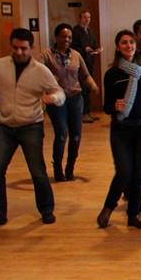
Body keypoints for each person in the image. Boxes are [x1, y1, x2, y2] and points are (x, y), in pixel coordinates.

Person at [0, 28, 65, 229]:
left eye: (23, 48)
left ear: (31, 48)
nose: (19, 52)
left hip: (31, 126)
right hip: (7, 126)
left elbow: (59, 92)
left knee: (37, 171)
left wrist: (53, 98)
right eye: (15, 48)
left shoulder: (41, 71)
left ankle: (46, 209)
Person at [96, 30, 141, 230]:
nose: (129, 46)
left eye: (131, 42)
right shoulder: (112, 73)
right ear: (118, 47)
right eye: (124, 43)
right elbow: (106, 106)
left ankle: (133, 215)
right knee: (124, 171)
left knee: (139, 172)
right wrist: (114, 106)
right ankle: (109, 207)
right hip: (121, 129)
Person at [38, 23, 99, 182]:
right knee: (62, 133)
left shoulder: (76, 55)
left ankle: (70, 168)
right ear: (56, 37)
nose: (67, 39)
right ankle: (57, 169)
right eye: (64, 36)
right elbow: (35, 72)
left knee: (76, 136)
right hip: (57, 100)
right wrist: (43, 92)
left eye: (70, 37)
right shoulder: (46, 55)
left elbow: (85, 75)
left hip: (75, 98)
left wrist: (93, 86)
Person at [71, 10, 103, 123]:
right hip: (79, 64)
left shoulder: (89, 31)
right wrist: (84, 49)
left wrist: (96, 49)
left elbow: (93, 45)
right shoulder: (75, 31)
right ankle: (82, 113)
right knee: (83, 89)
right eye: (85, 17)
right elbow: (72, 47)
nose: (87, 19)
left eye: (89, 17)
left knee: (88, 89)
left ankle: (88, 112)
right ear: (80, 18)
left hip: (89, 63)